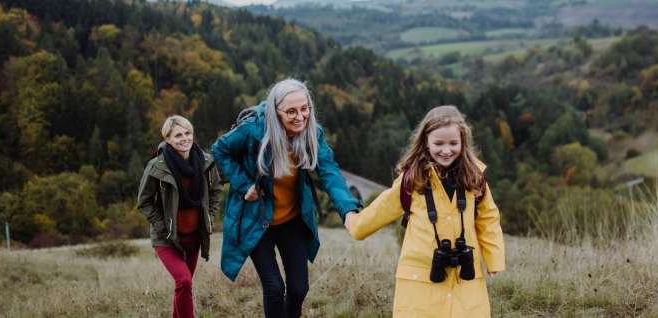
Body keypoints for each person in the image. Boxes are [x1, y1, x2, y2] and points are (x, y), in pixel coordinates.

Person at [212, 78, 361, 318]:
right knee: (274, 288)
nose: (300, 116)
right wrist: (243, 185)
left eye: (304, 109)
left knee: (299, 288)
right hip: (257, 219)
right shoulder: (254, 130)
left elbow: (329, 171)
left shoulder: (313, 133)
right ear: (275, 111)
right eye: (291, 111)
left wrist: (348, 210)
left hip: (291, 219)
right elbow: (220, 149)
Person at [344, 105, 505, 318]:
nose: (446, 150)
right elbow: (380, 210)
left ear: (463, 142)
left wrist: (494, 258)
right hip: (420, 280)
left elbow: (488, 219)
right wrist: (353, 222)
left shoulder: (475, 178)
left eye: (453, 143)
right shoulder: (411, 180)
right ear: (425, 143)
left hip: (464, 280)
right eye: (438, 143)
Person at [137, 115, 222, 318]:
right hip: (167, 238)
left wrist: (209, 216)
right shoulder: (157, 166)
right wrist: (161, 226)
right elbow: (144, 201)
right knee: (184, 281)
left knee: (184, 286)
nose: (184, 138)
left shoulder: (206, 162)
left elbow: (216, 189)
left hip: (194, 237)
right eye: (178, 135)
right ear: (167, 139)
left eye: (188, 133)